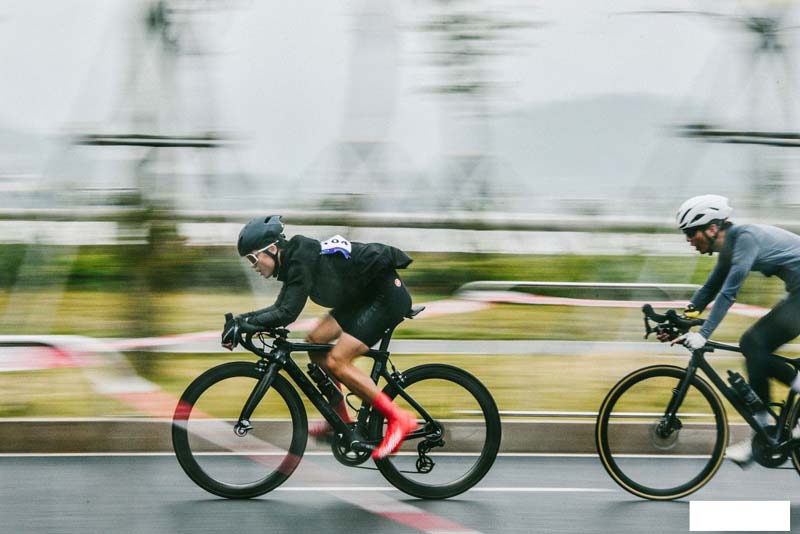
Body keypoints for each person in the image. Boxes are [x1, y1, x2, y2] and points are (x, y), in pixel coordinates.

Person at [222, 215, 417, 459]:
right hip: (362, 297)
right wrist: (242, 322)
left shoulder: (300, 259)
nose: (253, 266)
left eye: (253, 258)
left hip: (385, 295)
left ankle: (400, 418)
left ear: (271, 249)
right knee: (315, 342)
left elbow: (286, 313)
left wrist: (246, 324)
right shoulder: (294, 261)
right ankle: (340, 418)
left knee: (337, 361)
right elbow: (280, 307)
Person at [671, 194, 800, 466]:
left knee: (753, 342)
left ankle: (763, 429)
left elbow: (729, 292)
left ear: (712, 227)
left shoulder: (745, 239)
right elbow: (710, 288)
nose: (689, 240)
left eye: (691, 233)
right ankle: (767, 429)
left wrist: (703, 334)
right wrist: (682, 319)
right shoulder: (731, 246)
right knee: (753, 346)